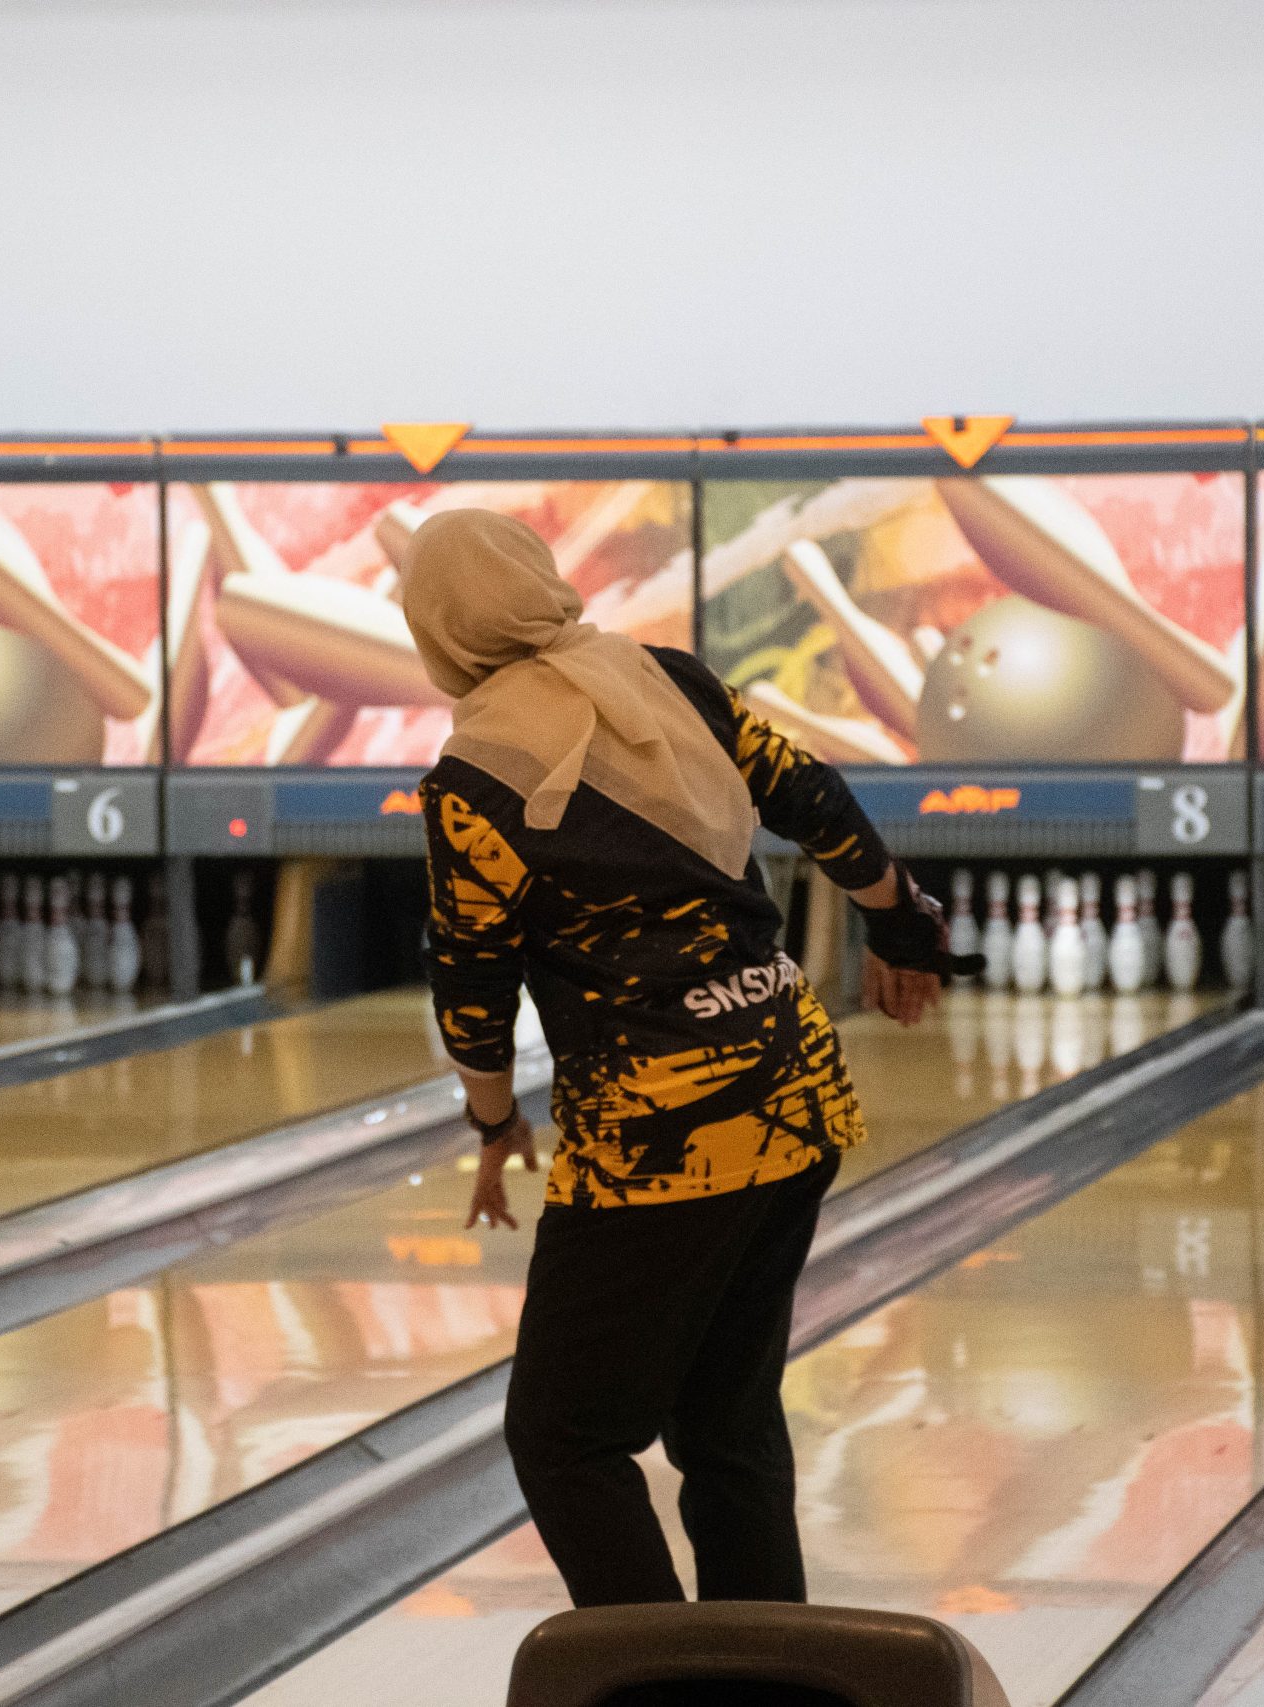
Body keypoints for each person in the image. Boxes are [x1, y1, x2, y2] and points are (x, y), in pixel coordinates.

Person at [404, 509, 978, 1609]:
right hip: (792, 1091)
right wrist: (901, 922)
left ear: (439, 627)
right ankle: (760, 1676)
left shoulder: (472, 781)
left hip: (658, 1142)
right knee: (726, 1424)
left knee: (563, 1437)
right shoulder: (668, 679)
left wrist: (494, 1121)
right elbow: (811, 795)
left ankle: (661, 1679)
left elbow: (470, 984)